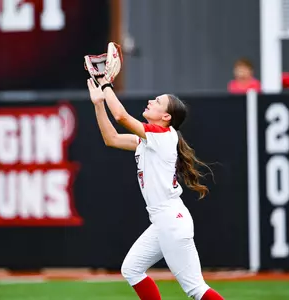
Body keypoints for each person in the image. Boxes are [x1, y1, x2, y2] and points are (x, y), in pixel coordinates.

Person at [87, 77, 225, 300]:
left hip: (171, 222)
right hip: (163, 222)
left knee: (195, 289)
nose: (151, 101)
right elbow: (111, 139)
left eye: (157, 101)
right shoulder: (149, 140)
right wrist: (98, 103)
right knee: (131, 269)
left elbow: (121, 116)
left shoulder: (161, 135)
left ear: (166, 117)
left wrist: (106, 86)